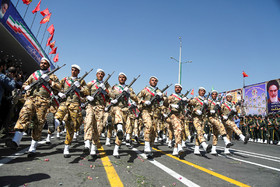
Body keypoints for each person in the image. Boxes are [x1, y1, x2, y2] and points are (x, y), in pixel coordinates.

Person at [5, 57, 61, 157]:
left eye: (45, 63)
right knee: (23, 115)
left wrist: (50, 82)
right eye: (42, 63)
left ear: (48, 65)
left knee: (38, 123)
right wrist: (25, 86)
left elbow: (59, 88)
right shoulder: (35, 74)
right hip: (31, 98)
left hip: (43, 101)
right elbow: (26, 83)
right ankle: (15, 141)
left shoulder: (52, 76)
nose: (43, 64)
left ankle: (33, 148)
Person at [54, 64, 88, 158]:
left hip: (75, 105)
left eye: (75, 70)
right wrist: (60, 93)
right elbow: (57, 88)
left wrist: (80, 87)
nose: (73, 71)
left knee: (71, 126)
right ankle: (54, 124)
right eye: (72, 70)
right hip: (65, 102)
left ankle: (67, 146)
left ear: (78, 72)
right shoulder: (65, 79)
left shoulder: (81, 81)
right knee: (59, 113)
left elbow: (87, 92)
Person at [107, 72, 138, 158]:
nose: (122, 79)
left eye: (123, 78)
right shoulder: (115, 87)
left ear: (125, 79)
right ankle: (117, 127)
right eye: (120, 77)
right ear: (118, 78)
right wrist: (112, 100)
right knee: (118, 112)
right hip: (115, 107)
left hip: (125, 109)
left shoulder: (129, 88)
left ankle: (116, 150)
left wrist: (129, 93)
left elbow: (135, 98)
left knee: (121, 133)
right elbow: (110, 94)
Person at [83, 69, 112, 158]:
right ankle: (87, 142)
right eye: (99, 74)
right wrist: (87, 96)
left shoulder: (106, 84)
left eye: (102, 74)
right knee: (89, 121)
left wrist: (105, 90)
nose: (100, 75)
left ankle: (93, 147)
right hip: (91, 105)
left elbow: (113, 94)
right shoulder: (91, 83)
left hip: (100, 107)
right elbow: (83, 90)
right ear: (96, 75)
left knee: (98, 127)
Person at [137, 76, 166, 159]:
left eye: (155, 81)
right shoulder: (145, 89)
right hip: (146, 111)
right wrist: (144, 101)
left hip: (156, 112)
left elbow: (165, 100)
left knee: (154, 130)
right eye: (152, 80)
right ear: (149, 82)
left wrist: (162, 97)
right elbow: (138, 97)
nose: (154, 82)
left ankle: (149, 149)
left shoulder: (159, 91)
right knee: (148, 126)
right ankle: (146, 146)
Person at [207, 90, 233, 155]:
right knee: (220, 125)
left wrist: (219, 108)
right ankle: (225, 139)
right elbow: (205, 109)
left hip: (216, 118)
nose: (214, 95)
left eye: (216, 94)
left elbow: (221, 112)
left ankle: (213, 149)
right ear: (211, 95)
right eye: (213, 94)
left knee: (215, 133)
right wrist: (210, 110)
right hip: (210, 117)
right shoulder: (208, 101)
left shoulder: (218, 102)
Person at [188, 87, 212, 155]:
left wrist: (207, 105)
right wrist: (195, 110)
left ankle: (196, 148)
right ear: (198, 92)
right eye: (201, 91)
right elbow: (189, 106)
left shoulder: (207, 100)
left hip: (203, 118)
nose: (202, 92)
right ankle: (204, 145)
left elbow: (209, 109)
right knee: (199, 131)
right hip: (196, 118)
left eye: (204, 91)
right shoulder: (195, 99)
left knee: (199, 132)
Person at [166, 84, 188, 158]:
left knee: (179, 132)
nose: (177, 89)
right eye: (176, 87)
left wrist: (186, 101)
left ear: (181, 89)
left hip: (181, 116)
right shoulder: (171, 96)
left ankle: (175, 149)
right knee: (178, 129)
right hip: (173, 115)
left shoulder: (183, 96)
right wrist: (171, 106)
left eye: (179, 88)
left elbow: (189, 103)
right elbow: (165, 103)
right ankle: (179, 146)